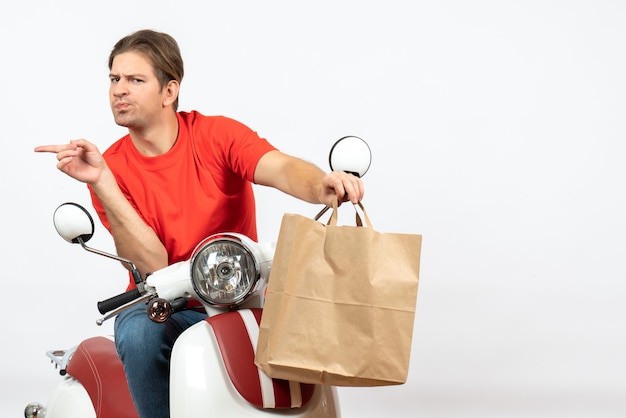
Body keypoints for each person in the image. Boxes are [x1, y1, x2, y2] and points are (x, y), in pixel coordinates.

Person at [34, 29, 364, 418]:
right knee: (139, 334)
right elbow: (153, 261)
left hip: (240, 297)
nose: (119, 90)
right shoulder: (109, 168)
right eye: (114, 79)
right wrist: (103, 183)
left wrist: (321, 185)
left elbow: (277, 167)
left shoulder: (215, 135)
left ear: (169, 91)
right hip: (162, 304)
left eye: (135, 80)